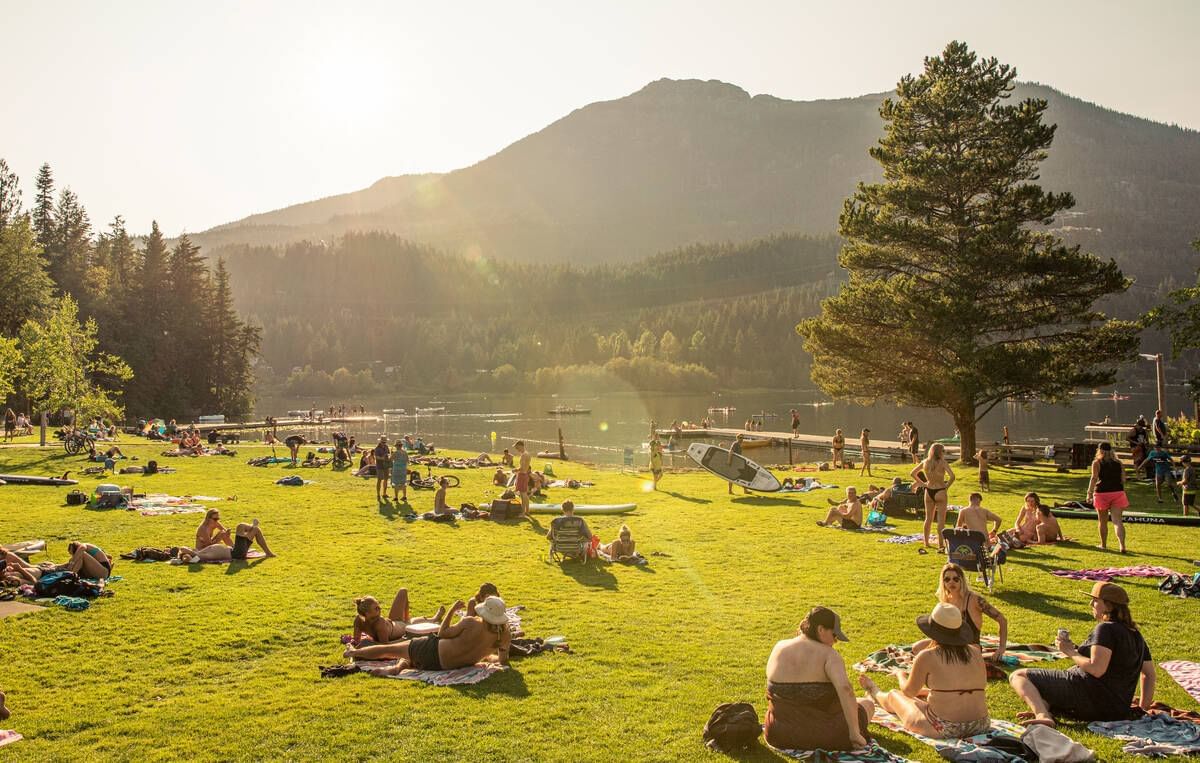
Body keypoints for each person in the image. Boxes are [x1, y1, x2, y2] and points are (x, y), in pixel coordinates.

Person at [1010, 581, 1154, 726]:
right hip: (1116, 710)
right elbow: (1148, 674)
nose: (1091, 604)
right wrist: (1143, 708)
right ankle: (1045, 710)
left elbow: (1097, 668)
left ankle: (1043, 715)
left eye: (1096, 600)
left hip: (1090, 697)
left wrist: (1070, 652)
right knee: (1044, 687)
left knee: (1018, 675)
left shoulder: (1106, 629)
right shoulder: (1136, 636)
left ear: (1109, 606)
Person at [859, 603, 990, 739]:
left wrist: (900, 675)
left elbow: (909, 692)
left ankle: (874, 691)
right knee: (924, 697)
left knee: (894, 695)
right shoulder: (975, 652)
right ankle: (876, 693)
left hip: (945, 728)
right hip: (981, 724)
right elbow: (963, 687)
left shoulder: (928, 656)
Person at [764, 606, 872, 751]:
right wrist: (854, 733)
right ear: (820, 629)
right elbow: (846, 690)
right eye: (834, 635)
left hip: (778, 733)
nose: (835, 641)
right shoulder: (829, 655)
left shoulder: (779, 646)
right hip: (818, 735)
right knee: (867, 704)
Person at [343, 596, 512, 671]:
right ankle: (397, 668)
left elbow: (443, 632)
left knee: (389, 650)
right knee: (406, 655)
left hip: (431, 651)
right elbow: (503, 660)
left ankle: (354, 652)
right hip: (443, 667)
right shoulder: (504, 635)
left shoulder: (470, 622)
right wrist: (487, 656)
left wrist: (452, 610)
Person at [913, 563, 1008, 660]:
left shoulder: (974, 600)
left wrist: (1001, 648)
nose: (951, 582)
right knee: (917, 648)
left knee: (943, 657)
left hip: (969, 647)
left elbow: (1002, 620)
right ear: (943, 582)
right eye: (947, 579)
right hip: (947, 644)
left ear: (962, 580)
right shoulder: (945, 600)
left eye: (956, 579)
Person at [352, 589, 446, 645]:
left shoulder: (378, 621)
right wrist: (404, 639)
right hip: (399, 626)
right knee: (411, 623)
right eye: (376, 608)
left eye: (379, 606)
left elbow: (384, 646)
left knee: (403, 591)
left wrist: (404, 639)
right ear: (367, 614)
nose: (380, 609)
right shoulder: (360, 620)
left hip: (397, 623)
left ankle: (433, 618)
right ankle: (433, 619)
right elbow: (357, 641)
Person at [1086, 441, 1129, 553]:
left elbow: (1094, 478)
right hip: (1118, 492)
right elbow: (1123, 479)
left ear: (1099, 451)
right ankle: (1122, 545)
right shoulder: (1119, 463)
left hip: (1102, 493)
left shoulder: (1097, 462)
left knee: (1102, 521)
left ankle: (1103, 544)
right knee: (1118, 521)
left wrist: (1089, 493)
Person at [912, 442, 955, 551]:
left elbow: (913, 473)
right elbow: (952, 476)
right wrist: (946, 486)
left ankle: (926, 542)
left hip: (929, 490)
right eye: (943, 451)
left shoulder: (925, 462)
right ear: (940, 452)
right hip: (940, 490)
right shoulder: (943, 463)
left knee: (928, 519)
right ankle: (941, 545)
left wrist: (923, 483)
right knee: (941, 520)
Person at [178, 520, 274, 563]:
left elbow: (185, 550)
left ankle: (253, 529)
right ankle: (252, 527)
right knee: (240, 526)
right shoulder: (200, 556)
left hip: (236, 550)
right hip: (236, 553)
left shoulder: (200, 552)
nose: (189, 549)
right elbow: (183, 549)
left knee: (254, 530)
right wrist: (184, 555)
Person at [513, 440, 532, 517]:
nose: (517, 449)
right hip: (525, 475)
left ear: (521, 446)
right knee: (525, 494)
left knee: (522, 494)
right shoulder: (528, 454)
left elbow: (522, 467)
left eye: (517, 447)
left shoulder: (524, 455)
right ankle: (527, 511)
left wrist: (515, 470)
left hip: (522, 475)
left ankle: (523, 513)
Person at [373, 436, 392, 501]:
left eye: (385, 442)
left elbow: (388, 454)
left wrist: (389, 458)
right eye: (383, 442)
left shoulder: (386, 447)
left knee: (386, 479)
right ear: (380, 442)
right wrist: (383, 458)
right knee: (379, 480)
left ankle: (384, 493)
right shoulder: (377, 448)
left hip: (386, 465)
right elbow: (376, 457)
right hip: (380, 466)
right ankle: (378, 494)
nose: (384, 443)